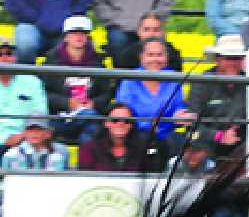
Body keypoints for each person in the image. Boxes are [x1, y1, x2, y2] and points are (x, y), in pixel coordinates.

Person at [41, 15, 111, 146]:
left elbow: (107, 94)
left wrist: (93, 103)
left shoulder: (99, 62)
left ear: (88, 36)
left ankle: (86, 163)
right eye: (73, 33)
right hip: (58, 117)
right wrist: (66, 102)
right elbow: (42, 93)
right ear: (66, 36)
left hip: (90, 117)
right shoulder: (51, 61)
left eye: (83, 33)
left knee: (93, 124)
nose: (79, 37)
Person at [113, 38, 189, 144]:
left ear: (166, 57)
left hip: (166, 136)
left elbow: (178, 108)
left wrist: (180, 116)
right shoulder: (129, 80)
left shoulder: (174, 79)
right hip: (135, 135)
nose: (155, 59)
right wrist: (148, 125)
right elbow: (123, 113)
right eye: (150, 55)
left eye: (159, 55)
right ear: (142, 57)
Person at [184, 34, 248, 148]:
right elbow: (191, 124)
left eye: (237, 58)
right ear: (217, 59)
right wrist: (219, 136)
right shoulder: (201, 82)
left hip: (241, 143)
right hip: (206, 143)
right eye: (228, 58)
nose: (232, 63)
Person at [0, 34, 51, 150]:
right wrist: (4, 139)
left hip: (26, 140)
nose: (4, 58)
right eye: (0, 54)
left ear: (15, 57)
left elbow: (41, 114)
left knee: (60, 151)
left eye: (9, 53)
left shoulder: (32, 82)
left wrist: (24, 135)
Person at [111, 11, 183, 71]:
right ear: (139, 32)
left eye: (156, 30)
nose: (151, 34)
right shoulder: (127, 55)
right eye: (146, 29)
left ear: (163, 32)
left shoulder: (173, 54)